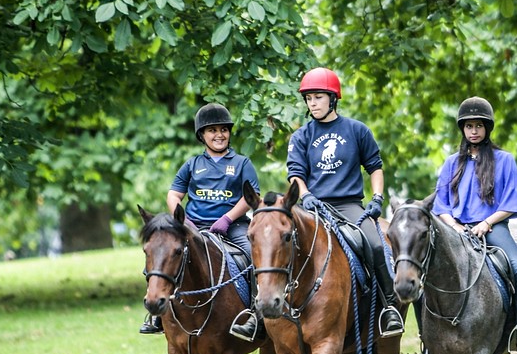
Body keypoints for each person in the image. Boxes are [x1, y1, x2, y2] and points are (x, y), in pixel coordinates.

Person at [254, 66, 404, 339]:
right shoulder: (301, 136)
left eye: (319, 97)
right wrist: (306, 194)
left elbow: (375, 167)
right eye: (309, 98)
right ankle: (259, 313)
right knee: (274, 242)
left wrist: (378, 198)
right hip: (312, 206)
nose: (313, 103)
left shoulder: (357, 130)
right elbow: (295, 174)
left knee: (374, 243)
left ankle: (389, 308)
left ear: (333, 98)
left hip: (349, 206)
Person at [141, 103, 261, 335]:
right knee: (160, 254)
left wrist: (226, 219)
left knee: (253, 257)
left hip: (232, 226)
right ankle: (157, 314)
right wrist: (185, 223)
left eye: (223, 129)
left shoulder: (241, 163)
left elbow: (251, 197)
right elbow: (173, 194)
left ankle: (256, 315)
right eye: (212, 130)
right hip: (195, 227)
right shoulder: (192, 165)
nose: (219, 135)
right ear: (202, 135)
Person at [433, 97, 517, 354]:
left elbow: (511, 202)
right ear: (463, 129)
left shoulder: (504, 160)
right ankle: (429, 339)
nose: (474, 131)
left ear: (487, 128)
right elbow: (440, 205)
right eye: (469, 126)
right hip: (455, 229)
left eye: (479, 126)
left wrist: (486, 223)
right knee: (427, 271)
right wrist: (454, 226)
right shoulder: (450, 164)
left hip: (493, 227)